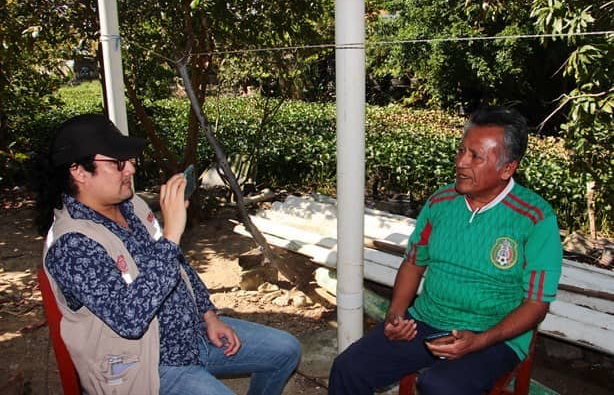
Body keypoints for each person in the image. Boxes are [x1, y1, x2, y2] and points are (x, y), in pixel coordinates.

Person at [34, 114, 301, 395]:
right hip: (148, 366)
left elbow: (179, 266)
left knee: (285, 350)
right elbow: (129, 319)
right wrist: (172, 235)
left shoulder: (131, 205)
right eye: (118, 163)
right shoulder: (71, 245)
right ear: (79, 172)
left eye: (130, 160)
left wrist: (208, 315)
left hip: (192, 336)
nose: (131, 170)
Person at [329, 106, 563, 395]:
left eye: (475, 156)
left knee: (440, 386)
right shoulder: (440, 202)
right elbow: (414, 263)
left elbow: (536, 305)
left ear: (507, 168)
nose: (461, 162)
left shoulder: (535, 218)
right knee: (349, 368)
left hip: (494, 336)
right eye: (461, 151)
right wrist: (396, 315)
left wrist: (479, 341)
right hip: (426, 320)